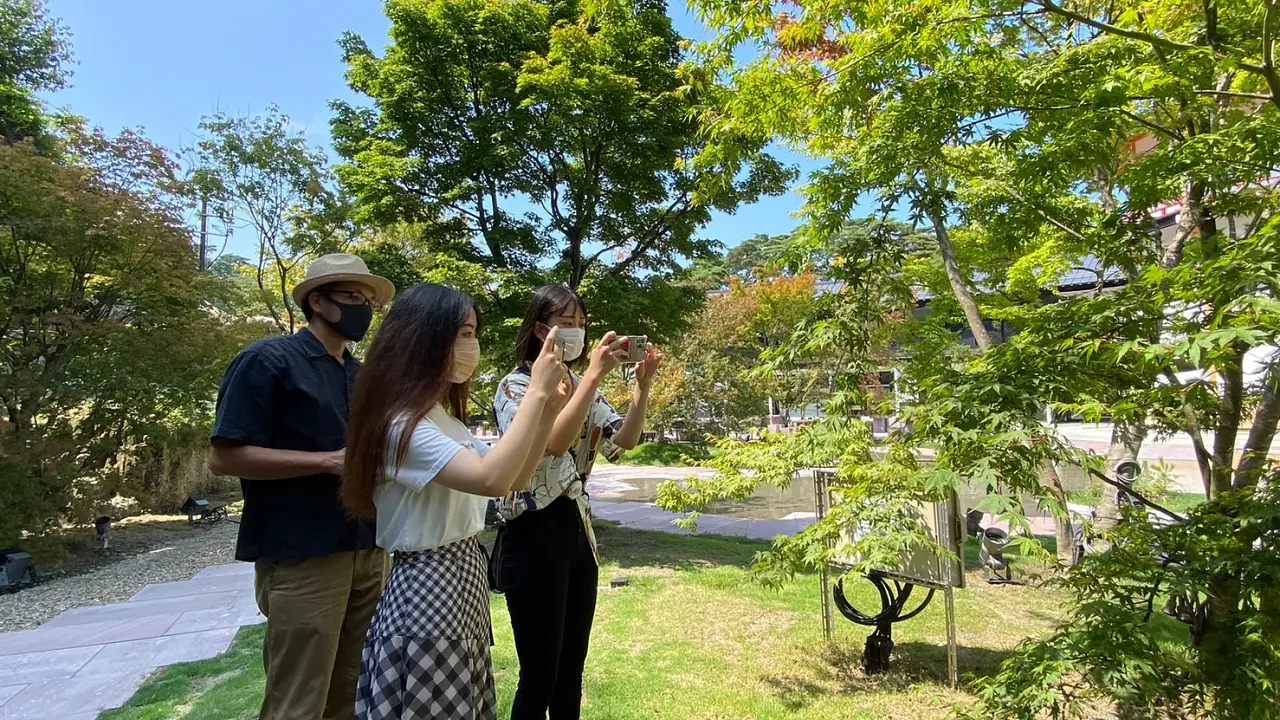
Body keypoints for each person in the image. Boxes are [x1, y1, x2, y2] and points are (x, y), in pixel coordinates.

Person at [340, 283, 570, 720]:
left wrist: (548, 413)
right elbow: (490, 479)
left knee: (459, 700)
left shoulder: (441, 419)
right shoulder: (402, 425)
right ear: (426, 338)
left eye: (474, 334)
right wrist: (536, 395)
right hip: (429, 583)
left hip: (461, 575)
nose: (473, 345)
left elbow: (515, 478)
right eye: (465, 333)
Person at [208, 253, 395, 720]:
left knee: (353, 694)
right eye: (353, 297)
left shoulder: (361, 375)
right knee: (299, 701)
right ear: (317, 301)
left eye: (369, 301)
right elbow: (225, 457)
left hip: (369, 550)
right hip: (303, 556)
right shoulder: (266, 361)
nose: (364, 309)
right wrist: (325, 462)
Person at [493, 284, 663, 720]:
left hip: (575, 529)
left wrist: (642, 389)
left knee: (571, 672)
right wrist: (592, 377)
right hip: (532, 530)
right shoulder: (517, 386)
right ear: (540, 329)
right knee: (540, 675)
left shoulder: (583, 385)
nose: (578, 332)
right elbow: (554, 443)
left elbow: (623, 441)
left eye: (582, 324)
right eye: (566, 323)